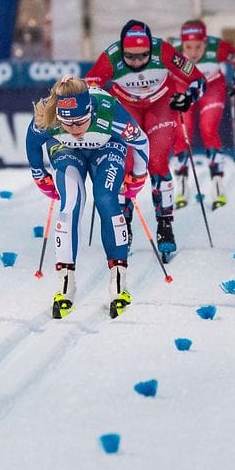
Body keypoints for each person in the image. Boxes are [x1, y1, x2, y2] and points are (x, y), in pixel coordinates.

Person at [26, 76, 150, 319]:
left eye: (81, 122)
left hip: (108, 147)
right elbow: (32, 144)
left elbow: (142, 142)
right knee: (70, 203)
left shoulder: (110, 113)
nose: (74, 129)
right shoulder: (48, 115)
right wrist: (40, 176)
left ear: (90, 111)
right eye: (67, 124)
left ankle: (118, 284)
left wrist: (138, 174)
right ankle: (65, 286)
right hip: (66, 151)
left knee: (106, 198)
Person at [85, 19, 205, 260]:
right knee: (125, 164)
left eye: (143, 57)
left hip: (161, 104)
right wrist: (96, 110)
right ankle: (124, 223)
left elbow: (198, 80)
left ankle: (165, 225)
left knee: (157, 161)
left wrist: (187, 99)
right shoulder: (111, 57)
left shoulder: (163, 51)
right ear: (122, 51)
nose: (137, 62)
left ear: (151, 49)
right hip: (125, 105)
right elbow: (89, 87)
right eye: (130, 57)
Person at [171, 19, 235, 210]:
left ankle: (217, 184)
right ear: (182, 44)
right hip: (183, 86)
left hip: (211, 86)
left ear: (206, 42)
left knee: (208, 128)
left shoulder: (218, 48)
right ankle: (181, 183)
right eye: (188, 47)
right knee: (183, 131)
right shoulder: (172, 50)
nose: (193, 52)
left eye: (199, 46)